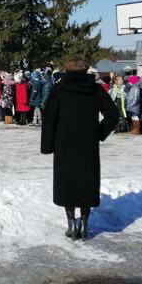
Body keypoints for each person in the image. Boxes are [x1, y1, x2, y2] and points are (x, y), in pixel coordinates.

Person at [41, 55, 119, 241]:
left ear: (67, 69)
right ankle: (84, 225)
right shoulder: (97, 89)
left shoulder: (60, 88)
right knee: (86, 183)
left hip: (64, 143)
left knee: (67, 183)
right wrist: (99, 132)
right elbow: (112, 115)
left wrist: (47, 145)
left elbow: (49, 118)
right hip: (87, 144)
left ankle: (71, 225)